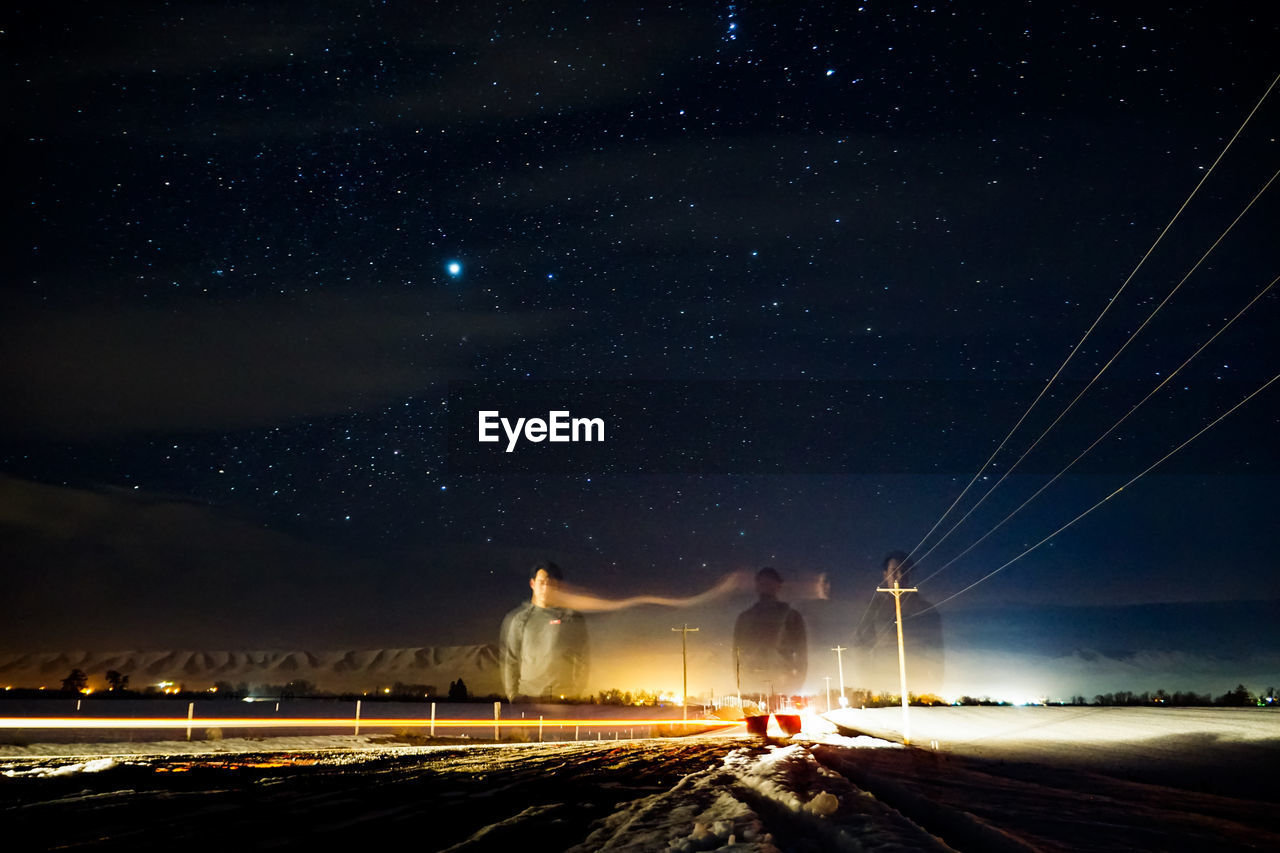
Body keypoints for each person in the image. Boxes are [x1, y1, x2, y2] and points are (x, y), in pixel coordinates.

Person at [852, 551, 944, 695]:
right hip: (881, 684)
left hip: (918, 683)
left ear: (910, 575)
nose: (899, 575)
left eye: (904, 570)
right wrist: (867, 682)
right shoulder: (873, 608)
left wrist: (934, 685)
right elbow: (861, 645)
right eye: (894, 570)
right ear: (885, 574)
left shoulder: (926, 609)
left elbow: (937, 650)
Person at [499, 561, 589, 701]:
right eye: (542, 582)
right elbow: (511, 660)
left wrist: (576, 693)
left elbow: (583, 658)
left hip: (563, 698)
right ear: (532, 584)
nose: (546, 588)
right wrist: (513, 696)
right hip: (527, 697)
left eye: (550, 583)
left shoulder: (571, 619)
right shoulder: (520, 620)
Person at [732, 567, 807, 705]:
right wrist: (743, 684)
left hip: (783, 685)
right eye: (762, 583)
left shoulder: (792, 617)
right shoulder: (745, 618)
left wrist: (796, 682)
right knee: (758, 726)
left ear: (778, 586)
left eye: (769, 582)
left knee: (787, 724)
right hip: (754, 686)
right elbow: (737, 654)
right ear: (757, 586)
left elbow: (802, 653)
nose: (766, 586)